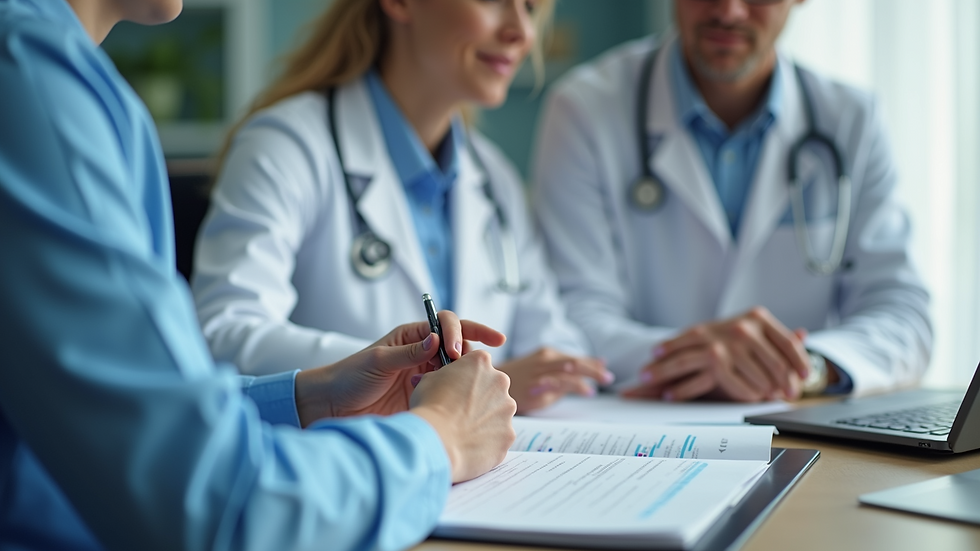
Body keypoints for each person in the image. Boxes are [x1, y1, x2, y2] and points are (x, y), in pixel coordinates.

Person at [0, 0, 518, 549]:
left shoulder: (64, 80)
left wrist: (311, 399)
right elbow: (213, 504)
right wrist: (441, 439)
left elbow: (103, 411)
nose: (519, 28)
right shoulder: (32, 81)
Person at [191, 0, 612, 413]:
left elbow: (554, 345)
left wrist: (532, 374)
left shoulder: (492, 175)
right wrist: (428, 374)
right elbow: (224, 334)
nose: (522, 32)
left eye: (532, 8)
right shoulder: (285, 146)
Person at [532, 0, 932, 403]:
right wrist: (708, 359)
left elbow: (902, 313)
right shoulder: (584, 109)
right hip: (646, 428)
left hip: (799, 422)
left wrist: (803, 368)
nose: (729, 11)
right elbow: (574, 316)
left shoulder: (851, 119)